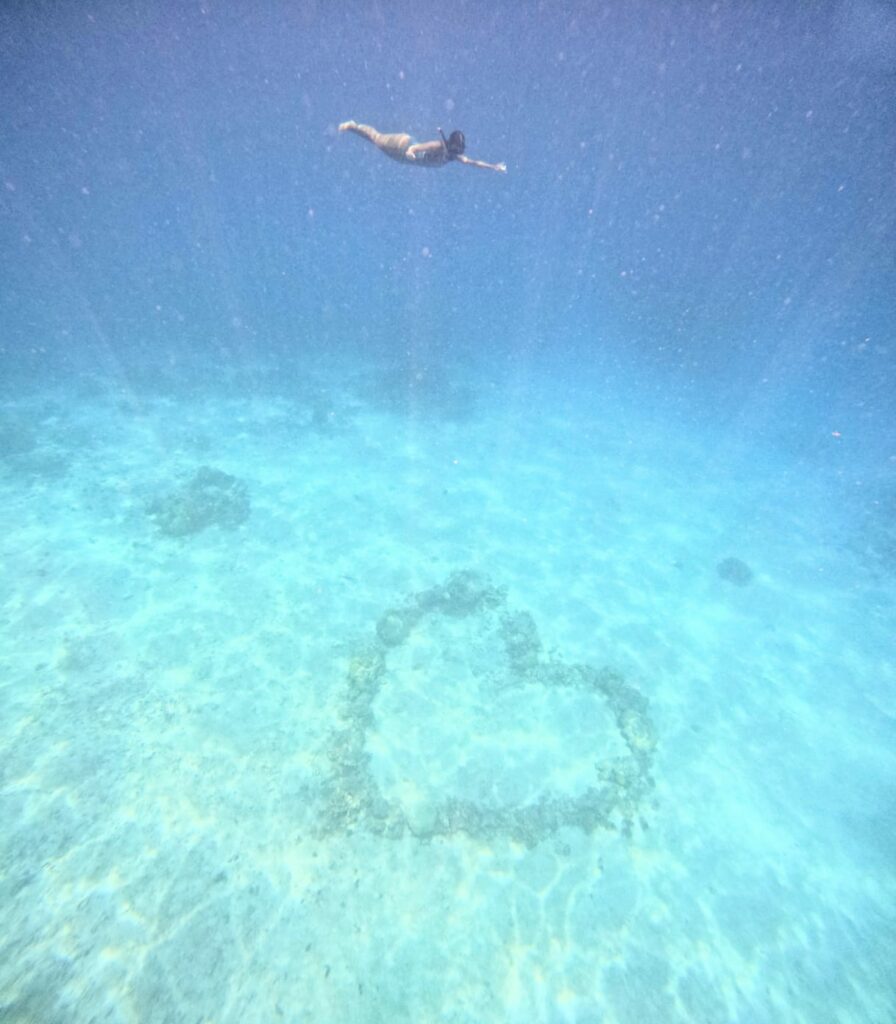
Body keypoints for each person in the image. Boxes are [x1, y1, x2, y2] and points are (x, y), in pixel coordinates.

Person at [338, 121, 507, 173]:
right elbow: (419, 147)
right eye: (455, 148)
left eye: (458, 150)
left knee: (377, 144)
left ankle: (354, 127)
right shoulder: (438, 145)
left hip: (402, 159)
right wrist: (411, 151)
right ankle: (353, 126)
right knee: (376, 138)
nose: (456, 153)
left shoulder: (453, 157)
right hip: (403, 145)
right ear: (450, 143)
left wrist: (494, 167)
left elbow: (473, 162)